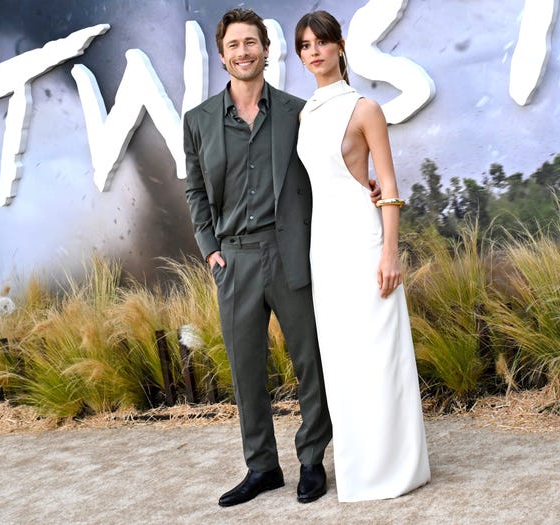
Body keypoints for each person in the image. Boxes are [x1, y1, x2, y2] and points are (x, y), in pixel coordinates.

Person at [183, 8, 333, 507]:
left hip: (290, 252)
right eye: (233, 45)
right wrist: (210, 250)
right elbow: (196, 192)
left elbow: (326, 169)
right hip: (235, 260)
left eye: (251, 42)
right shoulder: (198, 121)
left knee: (309, 361)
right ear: (222, 56)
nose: (243, 52)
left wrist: (368, 185)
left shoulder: (298, 111)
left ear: (266, 51)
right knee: (246, 369)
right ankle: (263, 468)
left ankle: (312, 460)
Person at [294, 11, 431, 502]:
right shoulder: (306, 112)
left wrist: (390, 251)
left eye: (322, 42)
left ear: (340, 46)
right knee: (342, 357)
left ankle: (394, 467)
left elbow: (389, 185)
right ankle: (359, 468)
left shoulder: (365, 107)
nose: (314, 51)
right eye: (305, 45)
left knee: (379, 350)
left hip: (364, 238)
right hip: (324, 245)